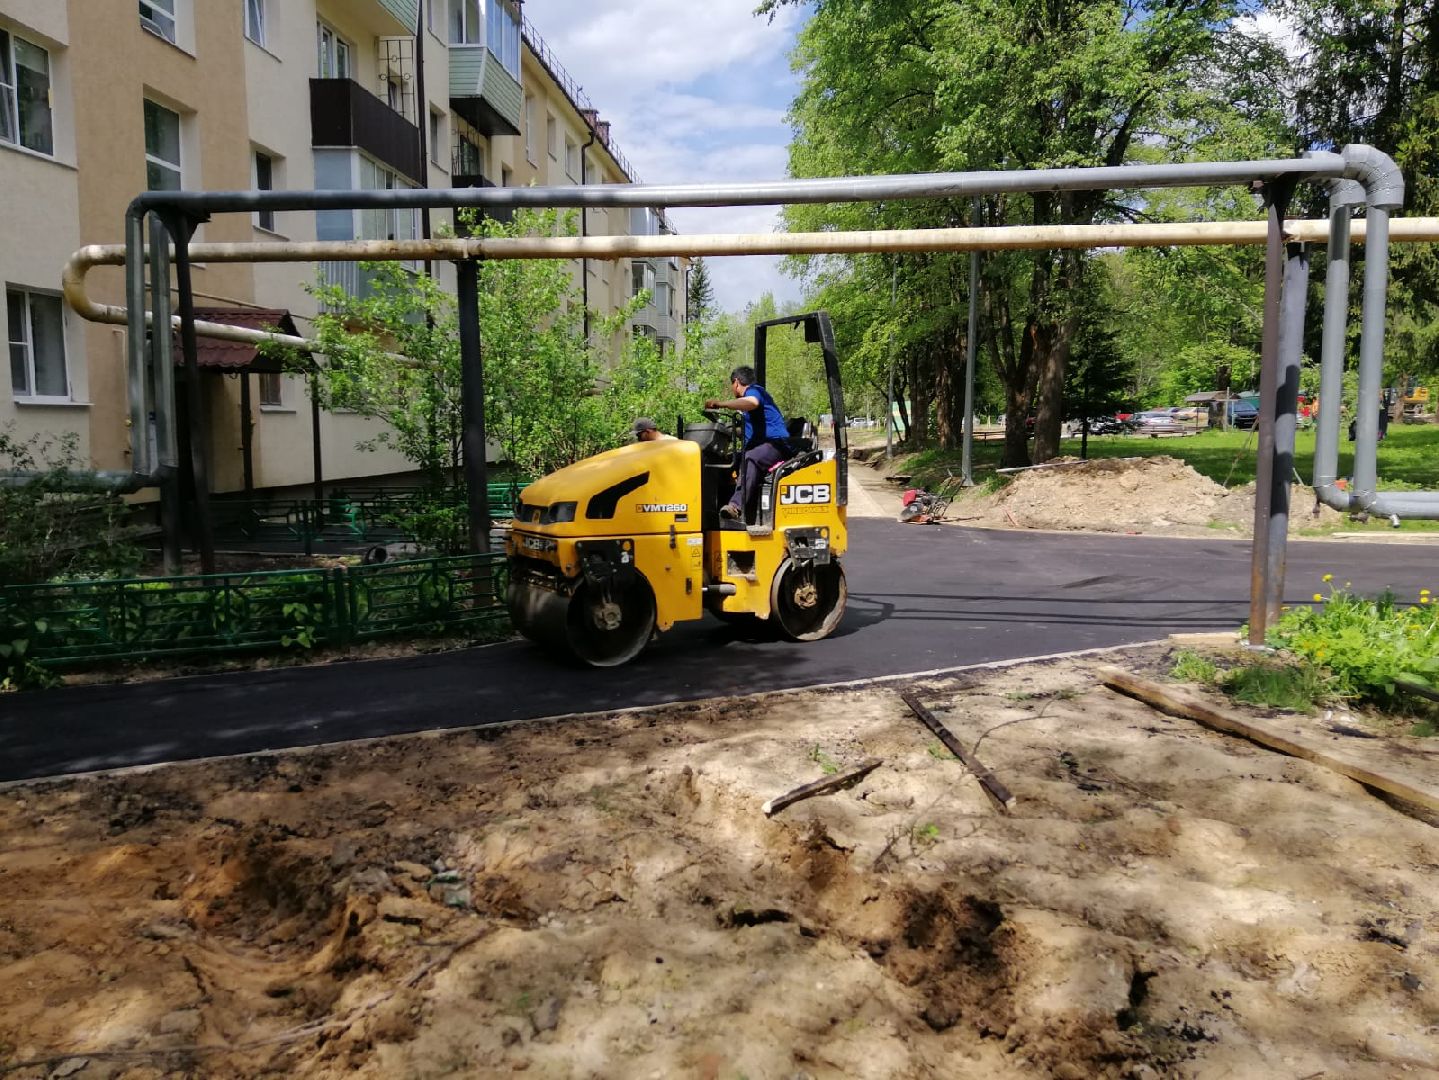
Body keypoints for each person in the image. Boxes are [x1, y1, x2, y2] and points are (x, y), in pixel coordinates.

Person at [705, 366, 791, 521]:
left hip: (777, 445)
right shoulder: (748, 408)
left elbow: (752, 402)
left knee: (750, 457)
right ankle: (713, 507)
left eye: (732, 385)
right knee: (726, 461)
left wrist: (720, 404)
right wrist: (729, 431)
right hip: (763, 445)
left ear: (736, 383)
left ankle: (736, 507)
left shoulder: (754, 391)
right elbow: (748, 430)